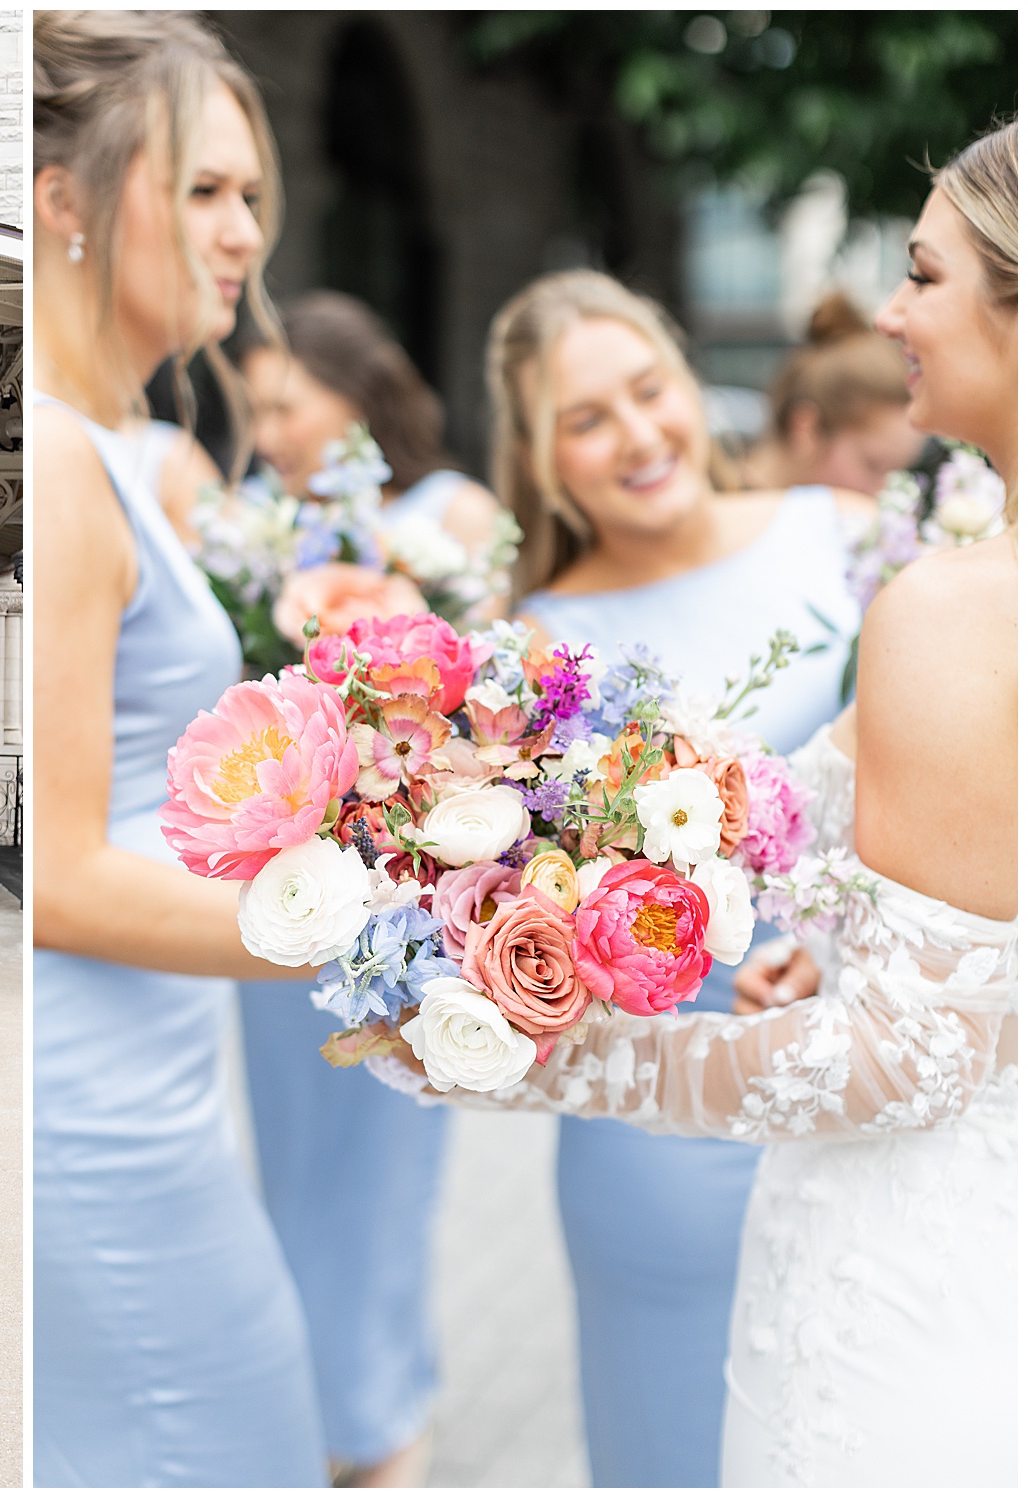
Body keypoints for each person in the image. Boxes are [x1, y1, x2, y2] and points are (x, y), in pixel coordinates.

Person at [425, 121, 1017, 1487]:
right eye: (584, 416)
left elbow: (921, 1051)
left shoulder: (933, 595)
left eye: (922, 275)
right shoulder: (540, 636)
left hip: (897, 1239)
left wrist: (563, 1067)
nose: (886, 311)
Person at [487, 268, 870, 1485]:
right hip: (666, 1122)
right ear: (541, 458)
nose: (637, 435)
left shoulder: (841, 534)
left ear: (686, 380)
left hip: (874, 1076)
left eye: (648, 391)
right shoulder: (535, 647)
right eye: (584, 420)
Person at [31, 12, 327, 1485]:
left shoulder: (115, 447)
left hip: (151, 1069)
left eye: (253, 196)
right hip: (95, 1110)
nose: (245, 233)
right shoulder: (67, 466)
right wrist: (384, 936)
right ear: (62, 195)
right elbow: (61, 879)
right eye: (204, 189)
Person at [229, 287, 508, 1485]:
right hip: (284, 908)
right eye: (253, 409)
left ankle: (383, 1422)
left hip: (406, 909)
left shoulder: (448, 515)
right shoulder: (245, 528)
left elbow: (506, 702)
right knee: (290, 1168)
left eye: (284, 402)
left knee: (385, 1172)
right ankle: (315, 1403)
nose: (268, 430)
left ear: (353, 392)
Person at [242, 288, 502, 552]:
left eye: (284, 410)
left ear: (358, 399)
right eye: (253, 413)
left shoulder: (457, 514)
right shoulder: (247, 515)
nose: (263, 439)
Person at [738, 292, 927, 496]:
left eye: (897, 474)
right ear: (805, 429)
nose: (883, 491)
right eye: (873, 465)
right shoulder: (718, 516)